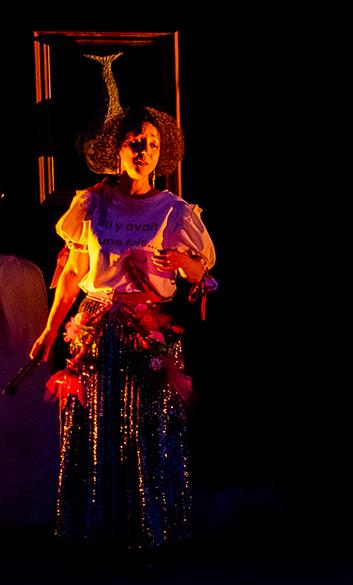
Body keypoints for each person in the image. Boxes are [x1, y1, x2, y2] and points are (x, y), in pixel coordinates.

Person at [29, 105, 216, 556]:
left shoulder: (174, 211)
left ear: (160, 153)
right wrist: (49, 332)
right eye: (135, 141)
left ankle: (149, 531)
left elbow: (202, 272)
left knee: (146, 431)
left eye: (152, 143)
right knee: (95, 431)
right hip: (96, 331)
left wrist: (183, 262)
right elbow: (73, 274)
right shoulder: (92, 203)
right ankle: (95, 532)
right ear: (118, 148)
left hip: (147, 332)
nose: (143, 150)